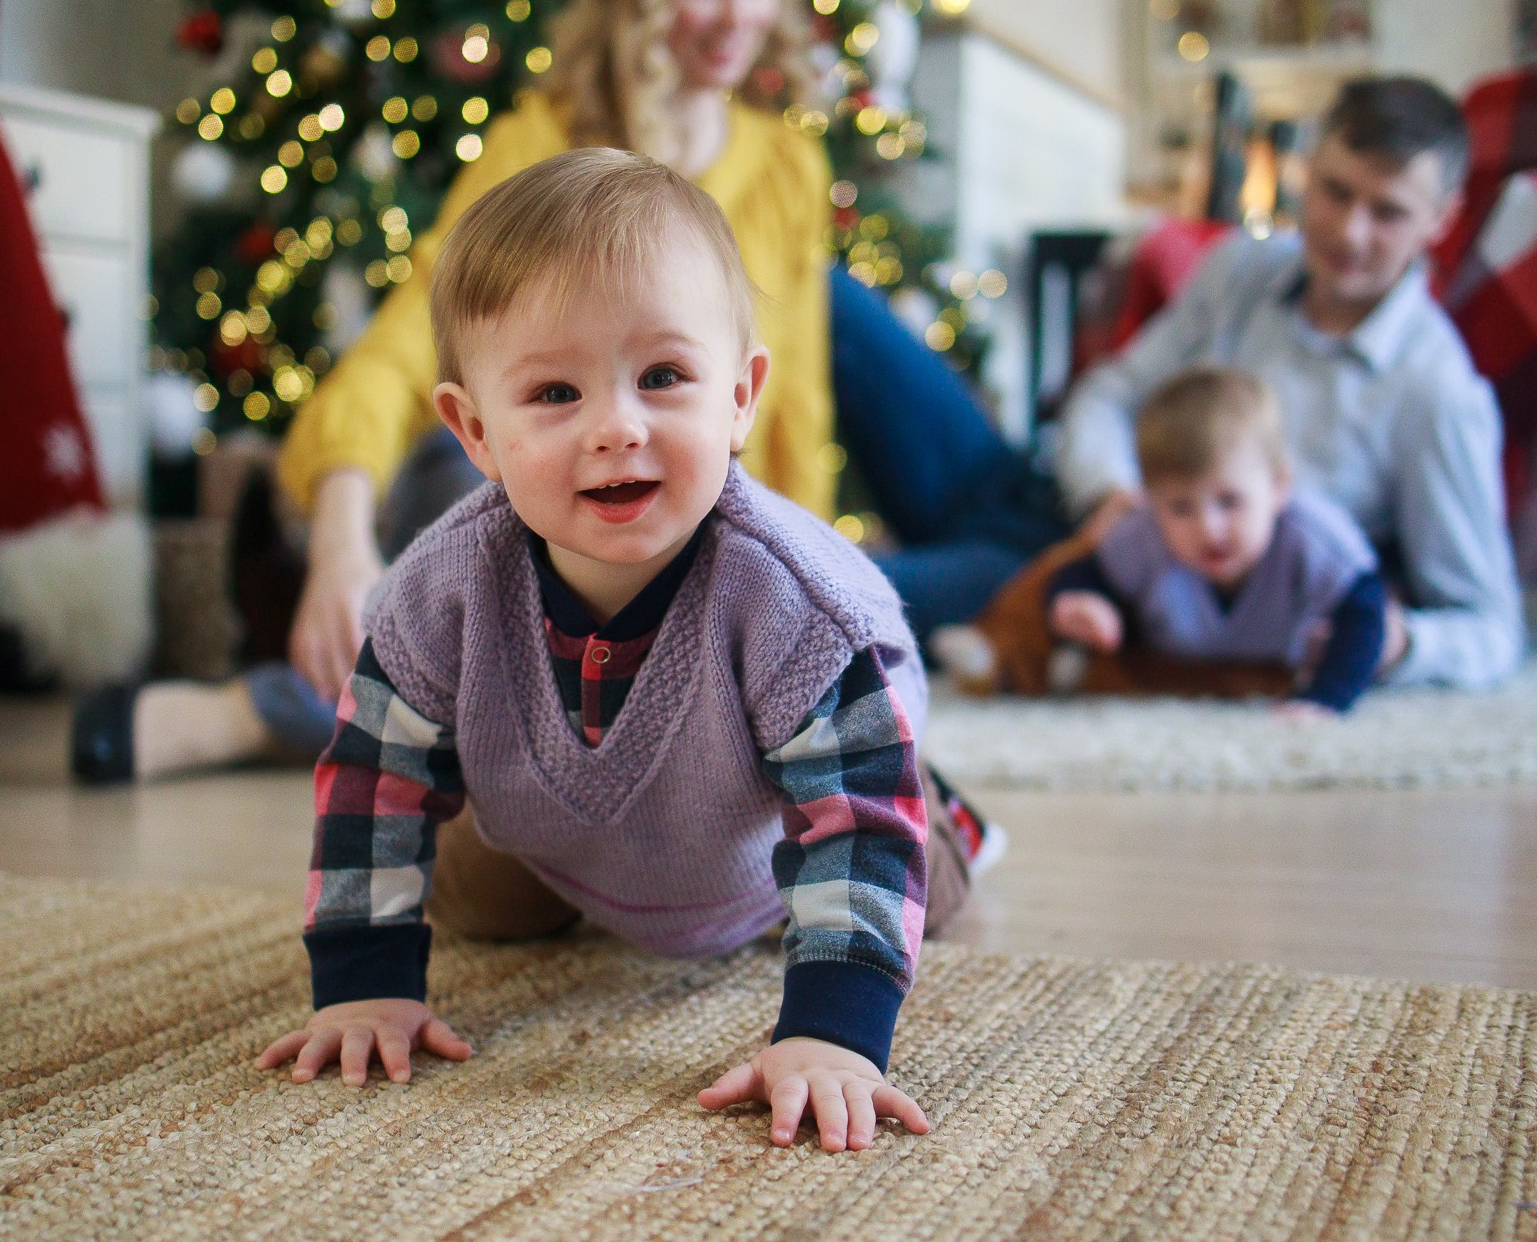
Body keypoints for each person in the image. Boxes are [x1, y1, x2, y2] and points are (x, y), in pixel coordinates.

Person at [72, 0, 1061, 783]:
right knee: (514, 590)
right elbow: (416, 333)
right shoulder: (541, 139)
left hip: (695, 534)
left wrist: (793, 591)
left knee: (961, 571)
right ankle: (271, 707)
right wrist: (338, 523)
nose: (736, 13)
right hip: (529, 508)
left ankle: (291, 706)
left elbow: (789, 398)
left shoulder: (787, 164)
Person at [256, 149, 1001, 1152]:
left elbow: (856, 829)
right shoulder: (437, 594)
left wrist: (832, 1037)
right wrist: (364, 986)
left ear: (738, 398)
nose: (616, 427)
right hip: (564, 835)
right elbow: (371, 782)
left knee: (904, 876)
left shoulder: (796, 603)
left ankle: (939, 799)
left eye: (662, 377)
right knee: (477, 897)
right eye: (554, 393)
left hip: (765, 836)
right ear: (473, 431)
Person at [1056, 77, 1524, 689]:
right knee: (881, 334)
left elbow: (1489, 626)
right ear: (1307, 169)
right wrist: (1105, 494)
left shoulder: (1435, 392)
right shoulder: (1239, 271)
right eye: (1334, 191)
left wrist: (1400, 641)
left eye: (1387, 212)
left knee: (897, 593)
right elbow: (1108, 394)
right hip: (1089, 530)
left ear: (1441, 219)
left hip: (1129, 594)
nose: (1349, 232)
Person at [942, 369, 1385, 712]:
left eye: (1229, 502)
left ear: (1279, 486)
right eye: (1181, 508)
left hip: (1270, 669)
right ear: (1150, 501)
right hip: (1168, 662)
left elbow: (1365, 609)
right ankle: (998, 655)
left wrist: (1326, 697)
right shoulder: (1144, 533)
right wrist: (1084, 601)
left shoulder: (1312, 535)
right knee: (1055, 584)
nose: (1209, 528)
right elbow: (1087, 571)